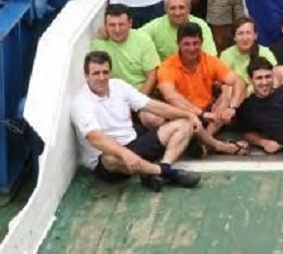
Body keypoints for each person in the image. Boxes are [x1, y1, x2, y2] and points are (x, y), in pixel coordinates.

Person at [72, 51, 201, 191]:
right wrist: (124, 154)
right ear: (86, 75)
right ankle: (169, 174)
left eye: (105, 72)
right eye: (96, 73)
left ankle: (160, 168)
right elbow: (96, 138)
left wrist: (187, 114)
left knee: (183, 124)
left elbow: (151, 105)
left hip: (134, 143)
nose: (102, 77)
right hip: (110, 160)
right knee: (110, 159)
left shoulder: (118, 86)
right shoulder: (81, 103)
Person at [156, 22, 250, 155]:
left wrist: (232, 108)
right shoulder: (167, 66)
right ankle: (215, 144)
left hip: (209, 116)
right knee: (152, 115)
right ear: (178, 44)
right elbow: (170, 96)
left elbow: (238, 82)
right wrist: (200, 114)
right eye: (186, 44)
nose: (192, 48)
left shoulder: (209, 60)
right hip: (184, 114)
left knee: (228, 89)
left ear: (202, 43)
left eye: (196, 43)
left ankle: (205, 139)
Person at [90, 4, 164, 128]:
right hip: (114, 97)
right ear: (105, 26)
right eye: (112, 25)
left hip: (142, 93)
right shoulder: (98, 45)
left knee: (153, 119)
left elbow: (151, 76)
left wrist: (136, 101)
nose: (117, 29)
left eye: (121, 24)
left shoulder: (143, 40)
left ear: (130, 23)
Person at [140, 0, 217, 61]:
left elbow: (211, 58)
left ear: (189, 8)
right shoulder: (155, 26)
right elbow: (135, 37)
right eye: (172, 8)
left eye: (181, 7)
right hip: (166, 71)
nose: (177, 13)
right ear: (165, 9)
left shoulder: (201, 25)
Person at [220, 17, 278, 95]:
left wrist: (247, 91)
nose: (245, 38)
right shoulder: (226, 55)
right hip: (235, 97)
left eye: (248, 33)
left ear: (255, 36)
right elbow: (223, 82)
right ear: (234, 37)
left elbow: (274, 79)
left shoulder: (265, 52)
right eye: (240, 34)